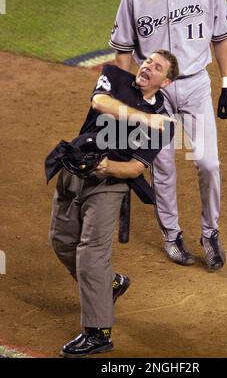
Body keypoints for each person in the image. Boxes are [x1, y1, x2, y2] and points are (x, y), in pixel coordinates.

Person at [109, 0, 227, 270]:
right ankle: (171, 235)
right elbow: (123, 51)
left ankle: (210, 233)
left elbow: (221, 37)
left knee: (207, 162)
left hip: (195, 85)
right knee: (162, 166)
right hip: (154, 92)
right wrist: (125, 100)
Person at [45, 50, 178, 358]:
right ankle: (111, 284)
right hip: (73, 170)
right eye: (148, 61)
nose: (147, 67)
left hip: (109, 185)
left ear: (166, 81)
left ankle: (98, 333)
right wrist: (144, 117)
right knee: (62, 241)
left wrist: (107, 168)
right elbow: (100, 102)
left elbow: (135, 167)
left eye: (157, 67)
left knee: (91, 254)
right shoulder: (116, 77)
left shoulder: (165, 124)